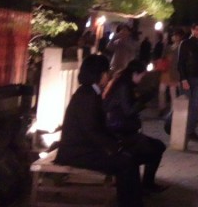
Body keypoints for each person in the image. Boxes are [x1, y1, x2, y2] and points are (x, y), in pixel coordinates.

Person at [55, 54, 144, 207]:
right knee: (126, 162)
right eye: (107, 72)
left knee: (129, 158)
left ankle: (132, 201)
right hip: (77, 152)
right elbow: (91, 131)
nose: (109, 76)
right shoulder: (87, 96)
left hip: (84, 148)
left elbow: (97, 128)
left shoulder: (90, 92)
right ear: (101, 74)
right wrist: (114, 147)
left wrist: (116, 143)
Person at [103, 60, 168, 194]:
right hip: (119, 132)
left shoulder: (123, 83)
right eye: (141, 75)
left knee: (157, 146)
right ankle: (142, 183)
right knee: (156, 148)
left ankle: (144, 182)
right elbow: (129, 110)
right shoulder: (124, 86)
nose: (142, 78)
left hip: (121, 130)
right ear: (134, 73)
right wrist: (144, 99)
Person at [178, 24, 198, 140]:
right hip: (188, 77)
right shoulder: (185, 44)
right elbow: (181, 63)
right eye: (197, 30)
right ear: (192, 30)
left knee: (195, 106)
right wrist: (183, 79)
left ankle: (190, 130)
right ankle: (181, 129)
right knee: (185, 104)